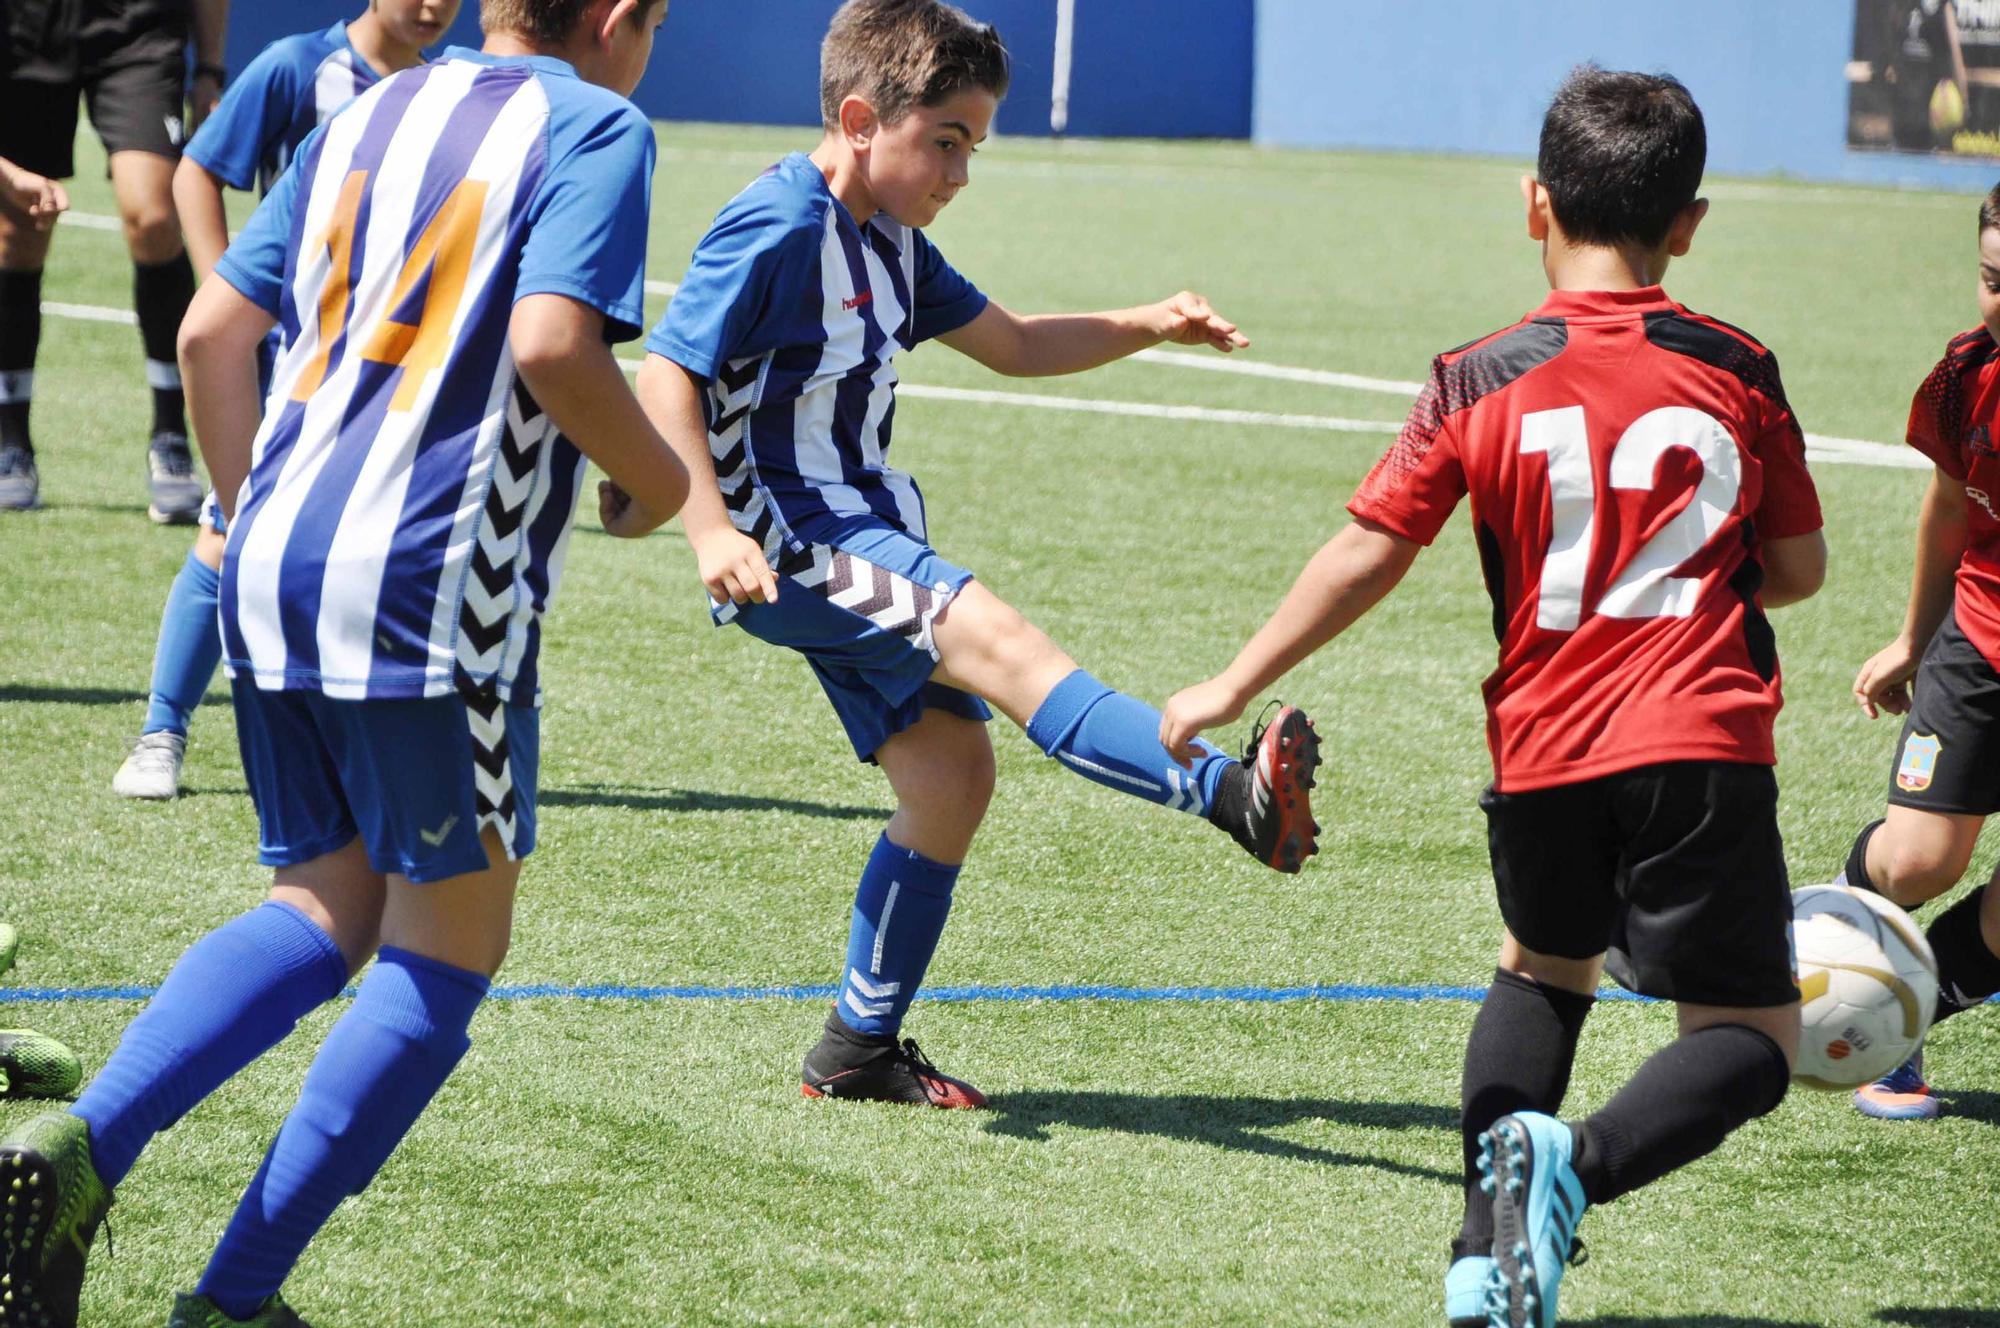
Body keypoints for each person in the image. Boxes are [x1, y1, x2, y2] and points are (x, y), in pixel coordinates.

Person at [0, 0, 685, 1323]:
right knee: (443, 960)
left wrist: (257, 509)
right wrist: (661, 488)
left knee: (325, 903)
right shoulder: (598, 123)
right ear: (617, 19)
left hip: (262, 560)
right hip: (427, 584)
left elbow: (211, 334)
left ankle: (78, 1145)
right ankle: (234, 1300)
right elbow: (552, 347)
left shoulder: (368, 104)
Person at [1160, 67, 1827, 1328]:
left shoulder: (1474, 375)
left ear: (1533, 204)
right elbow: (1794, 569)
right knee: (1747, 1042)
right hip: (1700, 742)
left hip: (1541, 750)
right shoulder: (1736, 363)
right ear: (1687, 222)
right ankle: (1574, 1165)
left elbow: (1370, 544)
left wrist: (1236, 678)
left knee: (1538, 974)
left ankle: (1481, 1264)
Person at [638, 0, 1322, 1112]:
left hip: (862, 534)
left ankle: (854, 1049)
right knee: (996, 638)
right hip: (793, 544)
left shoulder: (894, 244)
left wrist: (1149, 319)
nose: (960, 171)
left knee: (951, 777)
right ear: (861, 119)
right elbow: (665, 370)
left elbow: (1011, 343)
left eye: (974, 147)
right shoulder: (772, 226)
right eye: (946, 140)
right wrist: (709, 528)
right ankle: (1226, 792)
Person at [111, 0, 460, 801]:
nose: (437, 6)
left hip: (391, 371)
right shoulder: (297, 68)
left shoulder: (447, 91)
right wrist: (224, 288)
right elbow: (199, 168)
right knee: (230, 531)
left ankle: (358, 747)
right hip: (293, 365)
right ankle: (162, 731)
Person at [1835, 183, 2000, 1123]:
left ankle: (1898, 1028)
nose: (1999, 302)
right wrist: (1913, 637)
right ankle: (1825, 926)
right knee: (1916, 863)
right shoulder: (1965, 379)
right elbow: (1948, 507)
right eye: (1990, 279)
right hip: (1980, 638)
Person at [0, 0, 230, 518]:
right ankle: (9, 442)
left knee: (153, 217)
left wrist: (210, 69)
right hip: (25, 29)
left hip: (137, 26)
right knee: (18, 230)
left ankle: (171, 438)